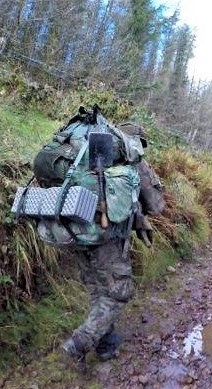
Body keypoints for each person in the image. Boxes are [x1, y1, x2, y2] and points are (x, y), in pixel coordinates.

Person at [60, 119, 164, 373]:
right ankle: (79, 342)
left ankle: (106, 344)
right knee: (119, 292)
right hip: (107, 238)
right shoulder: (134, 161)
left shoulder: (84, 152)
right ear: (135, 142)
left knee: (97, 290)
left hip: (75, 230)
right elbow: (157, 205)